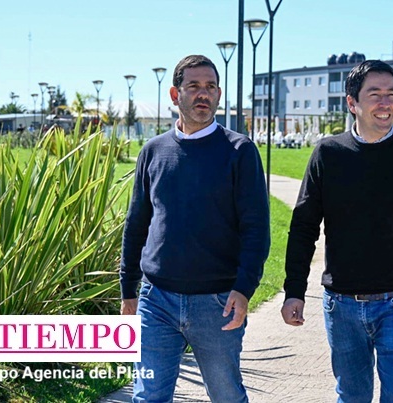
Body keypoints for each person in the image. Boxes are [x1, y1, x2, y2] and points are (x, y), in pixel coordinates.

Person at [281, 60, 393, 402]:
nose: (385, 103)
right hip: (342, 306)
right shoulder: (328, 154)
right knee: (351, 397)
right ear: (352, 102)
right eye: (375, 94)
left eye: (391, 94)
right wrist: (294, 290)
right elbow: (304, 228)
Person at [120, 54, 270, 402]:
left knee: (226, 396)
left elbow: (256, 229)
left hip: (217, 303)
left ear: (219, 95)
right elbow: (137, 223)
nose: (204, 94)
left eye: (211, 87)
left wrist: (244, 288)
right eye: (194, 86)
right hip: (156, 300)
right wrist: (128, 291)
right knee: (148, 397)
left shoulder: (239, 151)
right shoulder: (153, 152)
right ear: (175, 95)